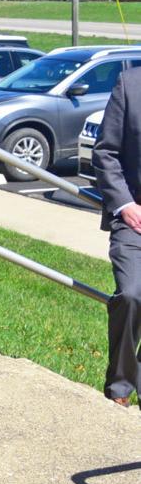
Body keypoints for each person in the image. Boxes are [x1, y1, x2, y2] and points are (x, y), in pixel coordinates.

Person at [90, 66, 141, 410]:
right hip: (133, 221)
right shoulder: (130, 84)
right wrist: (125, 205)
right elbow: (105, 152)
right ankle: (120, 385)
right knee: (132, 294)